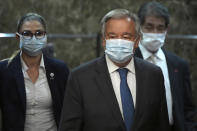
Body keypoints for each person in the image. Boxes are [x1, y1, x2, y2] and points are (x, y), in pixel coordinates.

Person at [59, 9, 171, 131]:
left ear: (137, 41)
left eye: (126, 36)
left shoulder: (153, 74)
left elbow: (161, 124)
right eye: (112, 36)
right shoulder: (80, 78)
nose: (119, 41)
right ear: (103, 41)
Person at [0, 13, 69, 131]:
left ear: (45, 36)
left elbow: (69, 110)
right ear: (18, 37)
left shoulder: (59, 70)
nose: (33, 38)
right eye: (26, 34)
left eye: (39, 33)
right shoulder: (4, 70)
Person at [134, 1, 197, 131]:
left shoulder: (179, 65)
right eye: (149, 27)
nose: (155, 32)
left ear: (167, 30)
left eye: (160, 28)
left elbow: (187, 108)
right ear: (139, 27)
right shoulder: (127, 61)